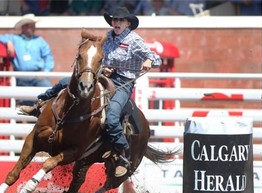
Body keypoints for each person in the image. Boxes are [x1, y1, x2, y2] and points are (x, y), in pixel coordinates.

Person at [18, 7, 162, 177]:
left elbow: (156, 58)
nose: (116, 23)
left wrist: (147, 61)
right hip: (104, 76)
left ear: (128, 23)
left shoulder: (134, 40)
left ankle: (122, 155)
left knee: (113, 116)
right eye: (114, 20)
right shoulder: (108, 36)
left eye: (120, 20)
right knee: (65, 83)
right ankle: (38, 104)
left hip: (123, 82)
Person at [0, 13, 55, 106]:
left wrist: (46, 71)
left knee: (49, 93)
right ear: (23, 27)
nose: (32, 28)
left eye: (33, 26)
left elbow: (49, 57)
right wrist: (8, 42)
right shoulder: (14, 38)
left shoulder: (40, 41)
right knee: (23, 101)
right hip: (21, 76)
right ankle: (22, 118)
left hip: (38, 75)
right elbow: (1, 37)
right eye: (29, 25)